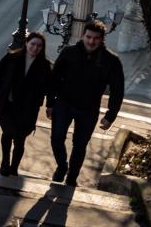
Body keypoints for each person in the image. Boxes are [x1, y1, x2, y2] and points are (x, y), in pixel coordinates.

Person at [47, 20, 125, 186]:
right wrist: (50, 103)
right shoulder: (69, 52)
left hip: (89, 109)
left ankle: (72, 178)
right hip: (64, 103)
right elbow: (54, 78)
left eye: (96, 38)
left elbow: (117, 90)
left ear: (102, 39)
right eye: (88, 37)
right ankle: (62, 166)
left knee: (80, 145)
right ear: (83, 36)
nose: (91, 41)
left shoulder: (111, 61)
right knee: (56, 138)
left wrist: (110, 115)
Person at [0, 31, 52, 177]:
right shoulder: (12, 57)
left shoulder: (44, 66)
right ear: (26, 43)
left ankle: (14, 166)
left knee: (20, 138)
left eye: (39, 46)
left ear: (42, 48)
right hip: (8, 105)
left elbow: (49, 87)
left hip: (28, 109)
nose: (35, 48)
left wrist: (49, 104)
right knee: (8, 132)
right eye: (33, 44)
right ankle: (5, 162)